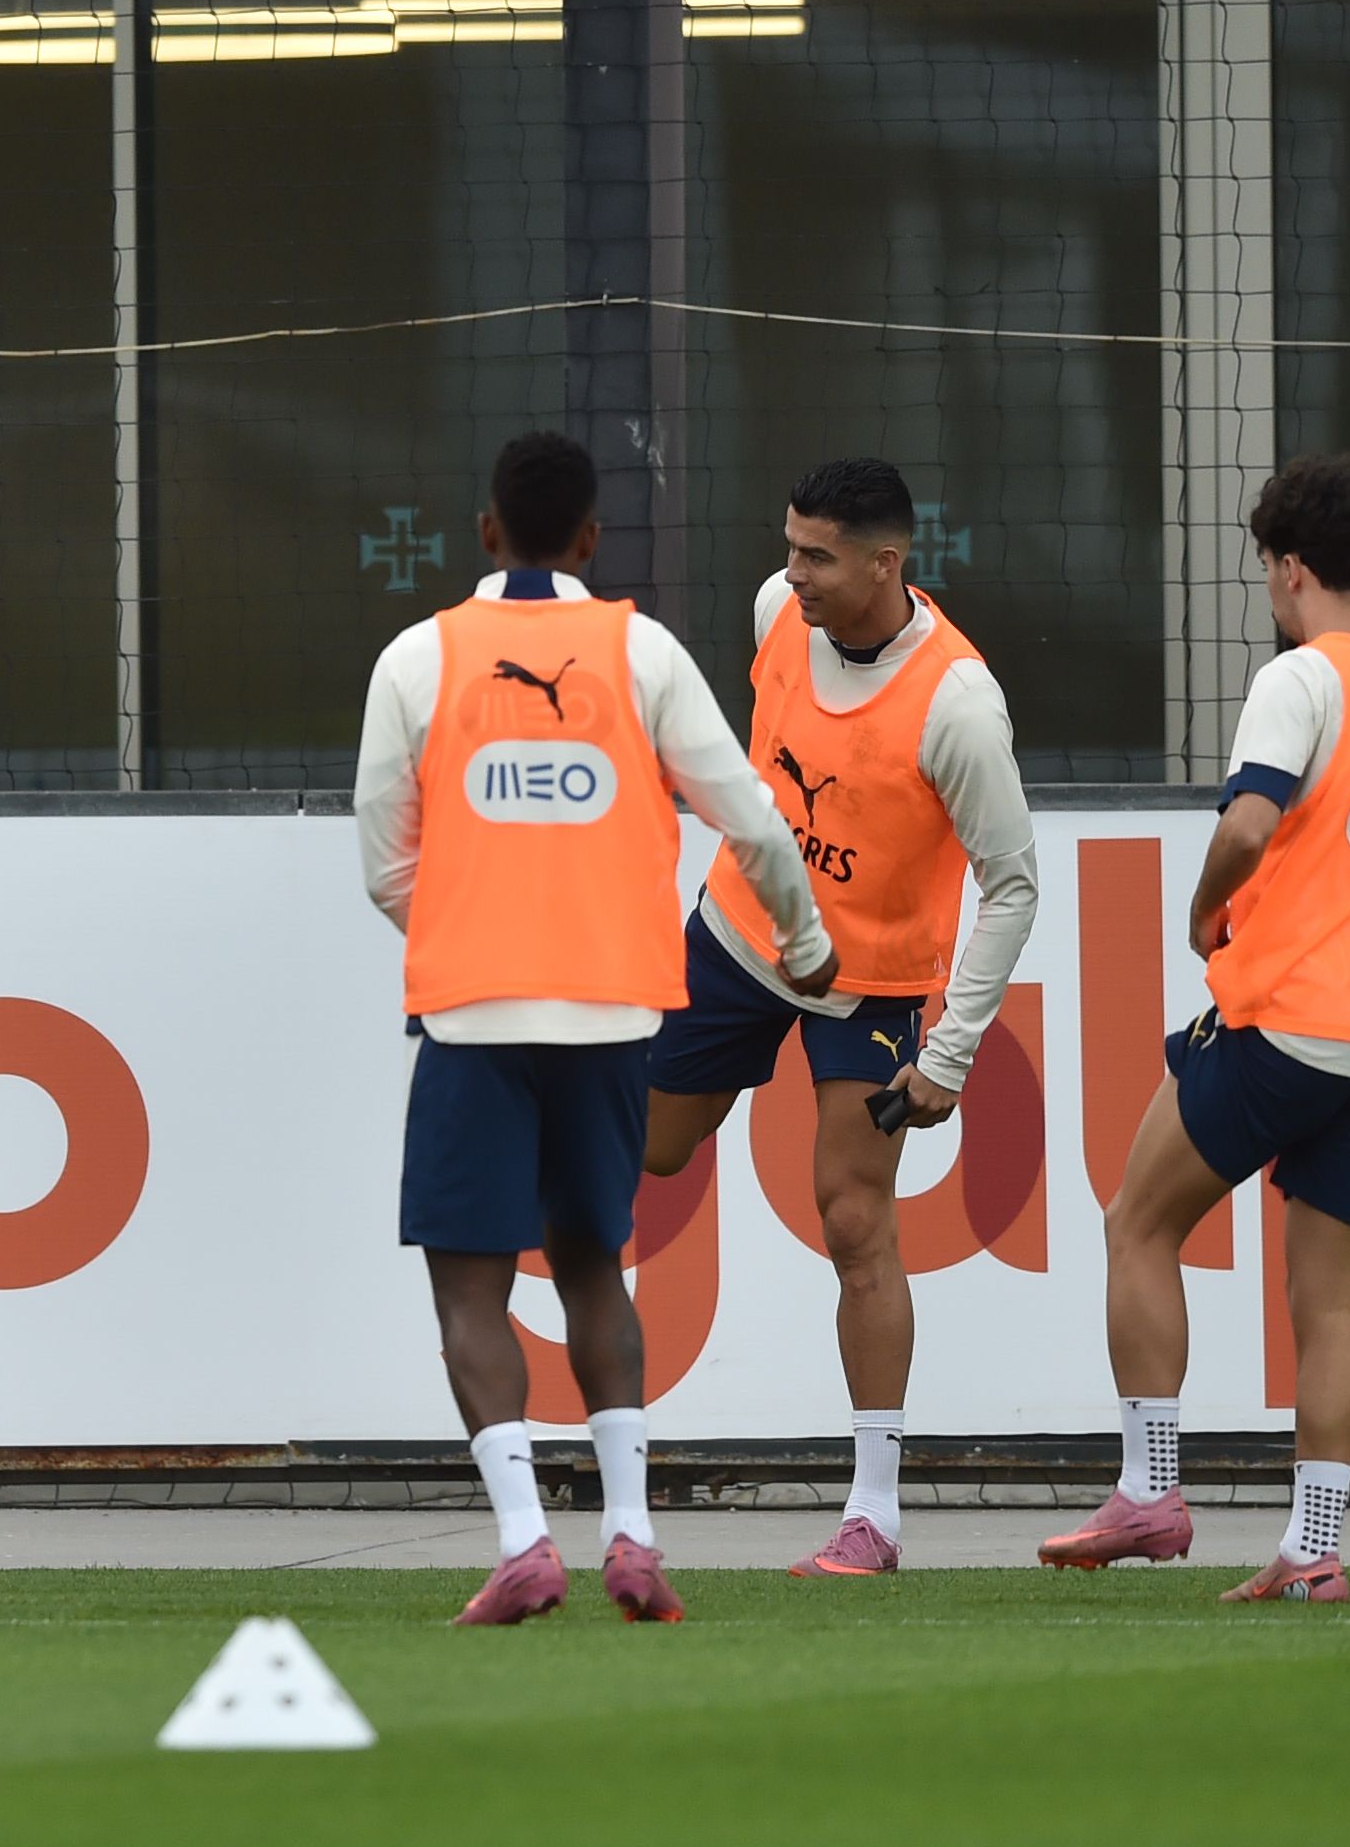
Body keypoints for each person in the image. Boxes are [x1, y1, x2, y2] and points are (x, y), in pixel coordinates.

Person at [354, 431, 832, 1629]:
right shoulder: (641, 652)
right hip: (615, 1011)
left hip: (473, 1011)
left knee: (469, 1285)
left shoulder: (418, 659)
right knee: (590, 1265)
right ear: (589, 539)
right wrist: (807, 943)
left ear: (483, 530)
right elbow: (757, 822)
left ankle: (523, 1541)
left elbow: (383, 862)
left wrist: (473, 922)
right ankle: (631, 1536)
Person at [1044, 454, 1350, 1603]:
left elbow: (1250, 824)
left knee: (1136, 1223)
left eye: (1265, 571)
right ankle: (1312, 1549)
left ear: (1291, 567)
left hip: (1288, 1018)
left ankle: (1150, 1489)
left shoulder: (1301, 679)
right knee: (1327, 1303)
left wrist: (1206, 906)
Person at [638, 458, 1041, 1577]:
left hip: (871, 983)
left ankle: (872, 1514)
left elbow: (1012, 884)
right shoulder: (777, 614)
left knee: (853, 1220)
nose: (791, 572)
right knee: (651, 1152)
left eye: (816, 554)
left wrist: (949, 1055)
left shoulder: (957, 704)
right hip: (736, 934)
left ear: (885, 562)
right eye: (788, 546)